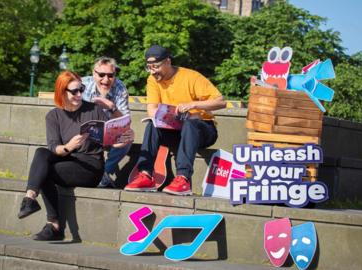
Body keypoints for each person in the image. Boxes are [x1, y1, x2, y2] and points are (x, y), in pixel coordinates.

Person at [17, 71, 133, 241]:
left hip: (90, 166)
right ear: (62, 92)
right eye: (74, 91)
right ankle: (30, 199)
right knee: (41, 153)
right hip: (67, 158)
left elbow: (110, 142)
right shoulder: (54, 116)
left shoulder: (94, 110)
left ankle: (53, 224)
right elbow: (54, 148)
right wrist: (69, 146)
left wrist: (122, 141)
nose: (80, 94)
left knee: (44, 172)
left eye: (81, 89)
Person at [124, 45, 226, 196]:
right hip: (175, 130)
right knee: (152, 125)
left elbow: (221, 102)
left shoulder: (191, 77)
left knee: (190, 122)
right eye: (149, 67)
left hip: (203, 130)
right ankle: (145, 175)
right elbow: (152, 109)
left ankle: (183, 179)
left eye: (156, 66)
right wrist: (164, 117)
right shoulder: (152, 80)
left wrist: (194, 105)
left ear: (168, 62)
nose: (153, 71)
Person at [81, 57, 131, 188]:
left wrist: (111, 106)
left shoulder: (120, 88)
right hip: (86, 131)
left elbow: (125, 122)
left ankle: (104, 172)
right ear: (94, 73)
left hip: (109, 133)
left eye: (110, 75)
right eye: (101, 75)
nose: (106, 80)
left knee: (128, 136)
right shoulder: (82, 85)